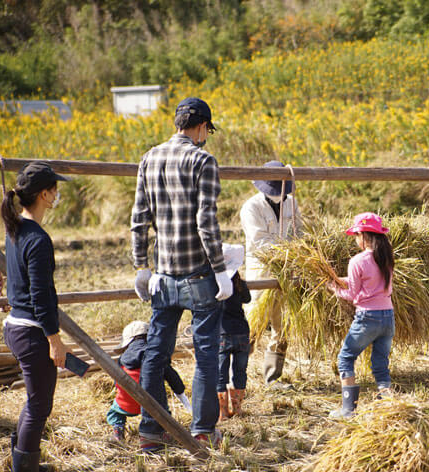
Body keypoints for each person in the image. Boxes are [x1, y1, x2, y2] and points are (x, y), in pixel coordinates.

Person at [130, 97, 233, 452]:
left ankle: (151, 430)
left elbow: (139, 219)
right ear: (202, 127)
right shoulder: (203, 160)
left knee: (156, 353)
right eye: (207, 131)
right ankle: (202, 431)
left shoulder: (149, 158)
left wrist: (141, 266)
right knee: (205, 355)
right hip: (198, 275)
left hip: (162, 276)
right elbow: (206, 221)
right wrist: (221, 270)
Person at [1, 162, 71, 472]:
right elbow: (41, 297)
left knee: (34, 401)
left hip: (15, 327)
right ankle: (24, 467)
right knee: (40, 405)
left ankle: (22, 461)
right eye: (55, 189)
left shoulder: (16, 228)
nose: (57, 194)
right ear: (44, 194)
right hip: (32, 331)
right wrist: (54, 340)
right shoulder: (39, 239)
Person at [240, 160, 303, 386]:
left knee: (283, 326)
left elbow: (299, 231)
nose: (278, 195)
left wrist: (300, 252)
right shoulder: (251, 207)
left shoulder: (291, 203)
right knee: (253, 325)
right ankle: (236, 376)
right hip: (262, 271)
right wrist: (286, 251)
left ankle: (272, 377)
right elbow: (259, 241)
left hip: (287, 273)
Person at [328, 212, 395, 418]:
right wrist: (341, 280)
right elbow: (369, 281)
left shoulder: (357, 260)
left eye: (356, 235)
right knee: (380, 363)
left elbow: (352, 294)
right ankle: (388, 404)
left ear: (364, 236)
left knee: (345, 358)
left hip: (368, 318)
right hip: (388, 316)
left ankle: (348, 410)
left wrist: (333, 288)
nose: (356, 239)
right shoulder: (386, 257)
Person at [106, 320, 190, 443]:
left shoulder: (121, 359)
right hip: (152, 405)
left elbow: (117, 382)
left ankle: (118, 432)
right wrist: (181, 394)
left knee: (115, 411)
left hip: (127, 403)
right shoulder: (155, 356)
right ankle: (160, 432)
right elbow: (172, 377)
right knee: (162, 409)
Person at [216, 244, 251, 420]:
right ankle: (237, 409)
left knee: (220, 373)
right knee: (240, 372)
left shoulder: (215, 284)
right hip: (242, 333)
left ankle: (222, 412)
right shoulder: (239, 284)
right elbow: (248, 299)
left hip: (222, 333)